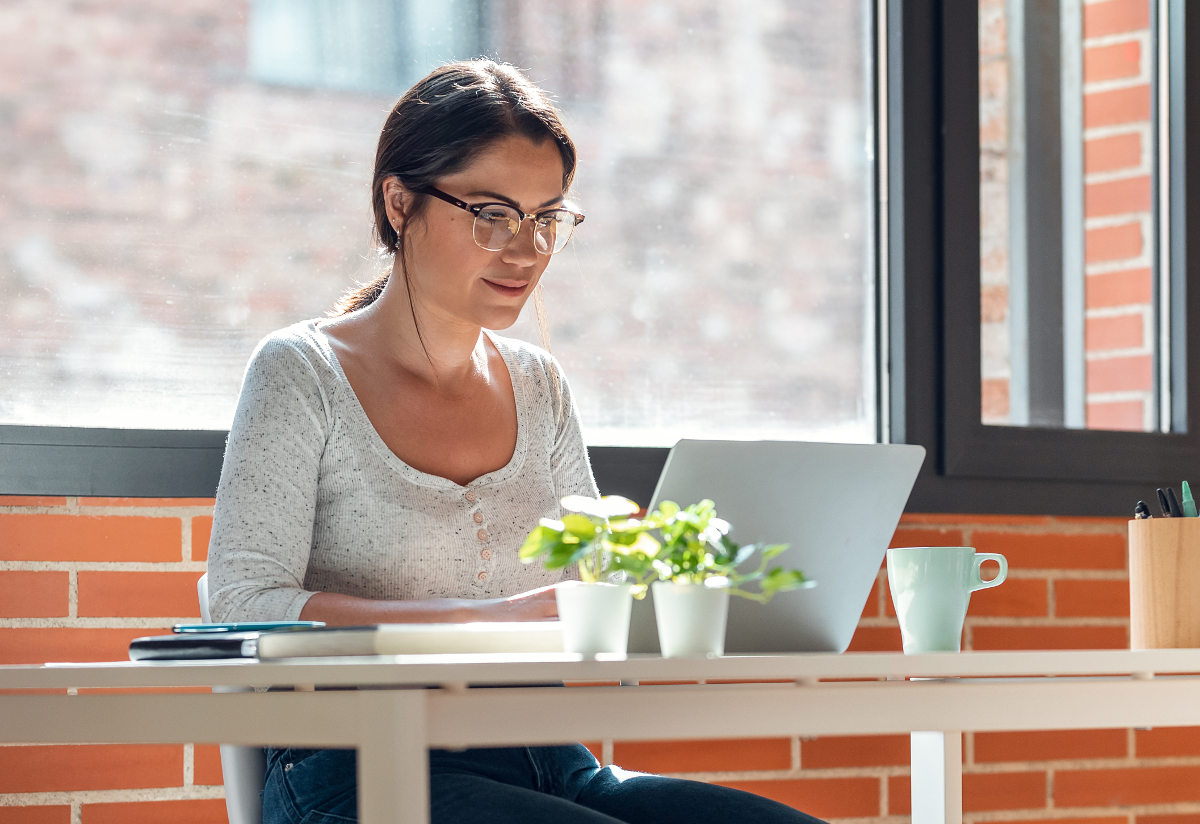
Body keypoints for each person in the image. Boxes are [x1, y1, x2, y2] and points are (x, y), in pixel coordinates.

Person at [207, 59, 826, 824]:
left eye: (546, 217)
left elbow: (592, 591)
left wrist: (660, 579)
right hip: (354, 767)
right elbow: (242, 603)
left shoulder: (540, 385)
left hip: (549, 759)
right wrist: (486, 617)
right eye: (492, 213)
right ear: (400, 203)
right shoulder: (302, 371)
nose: (526, 248)